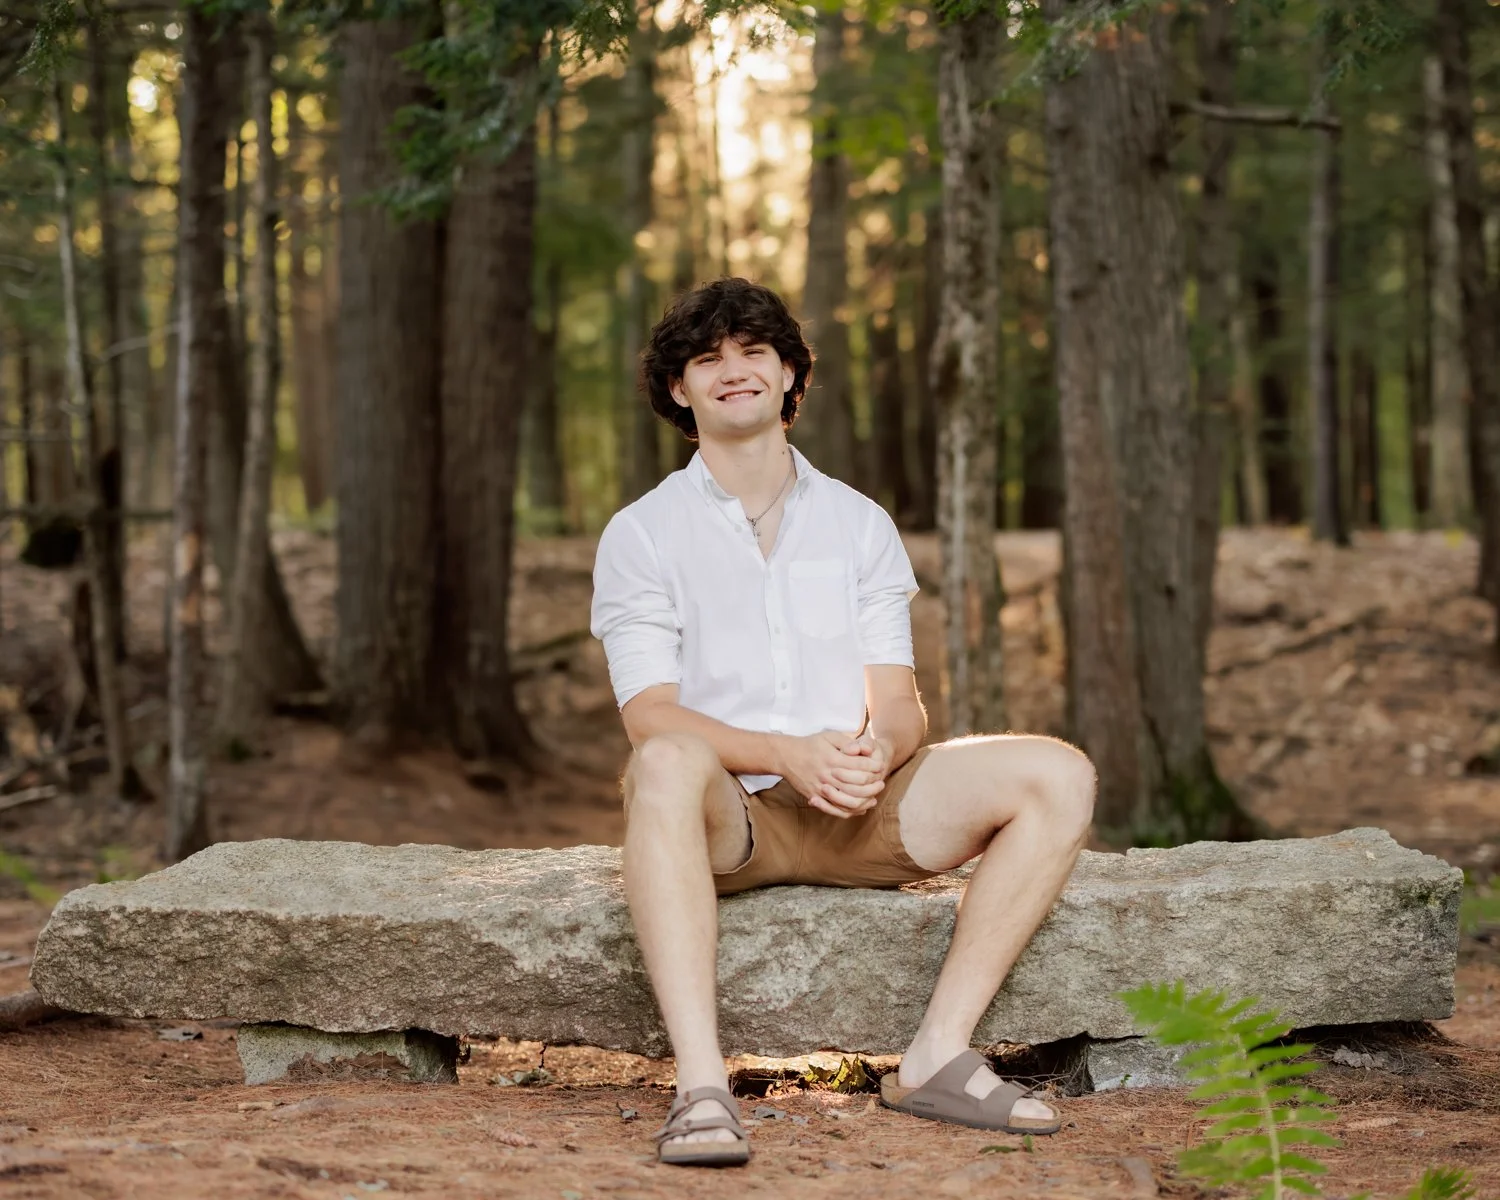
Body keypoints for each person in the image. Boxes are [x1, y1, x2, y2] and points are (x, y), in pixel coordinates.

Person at [589, 278, 1096, 1168]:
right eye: (707, 360)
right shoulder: (642, 534)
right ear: (680, 391)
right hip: (729, 820)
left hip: (859, 804)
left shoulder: (860, 523)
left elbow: (900, 700)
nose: (732, 371)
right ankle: (702, 1086)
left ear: (790, 373)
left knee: (1059, 773)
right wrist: (785, 753)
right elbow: (649, 714)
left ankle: (937, 1055)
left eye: (753, 352)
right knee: (665, 760)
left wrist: (876, 752)